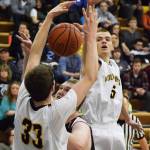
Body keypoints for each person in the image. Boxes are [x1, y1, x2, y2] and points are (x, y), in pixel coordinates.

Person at [13, 2, 98, 150]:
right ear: (53, 87)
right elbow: (90, 77)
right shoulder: (55, 112)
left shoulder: (22, 100)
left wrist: (49, 17)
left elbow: (34, 55)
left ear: (27, 85)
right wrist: (90, 36)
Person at [80, 27, 141, 149]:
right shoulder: (93, 64)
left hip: (114, 127)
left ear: (112, 45)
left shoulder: (115, 66)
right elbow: (87, 55)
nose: (104, 41)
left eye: (107, 39)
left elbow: (118, 96)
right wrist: (88, 38)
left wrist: (128, 119)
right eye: (99, 39)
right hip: (94, 127)